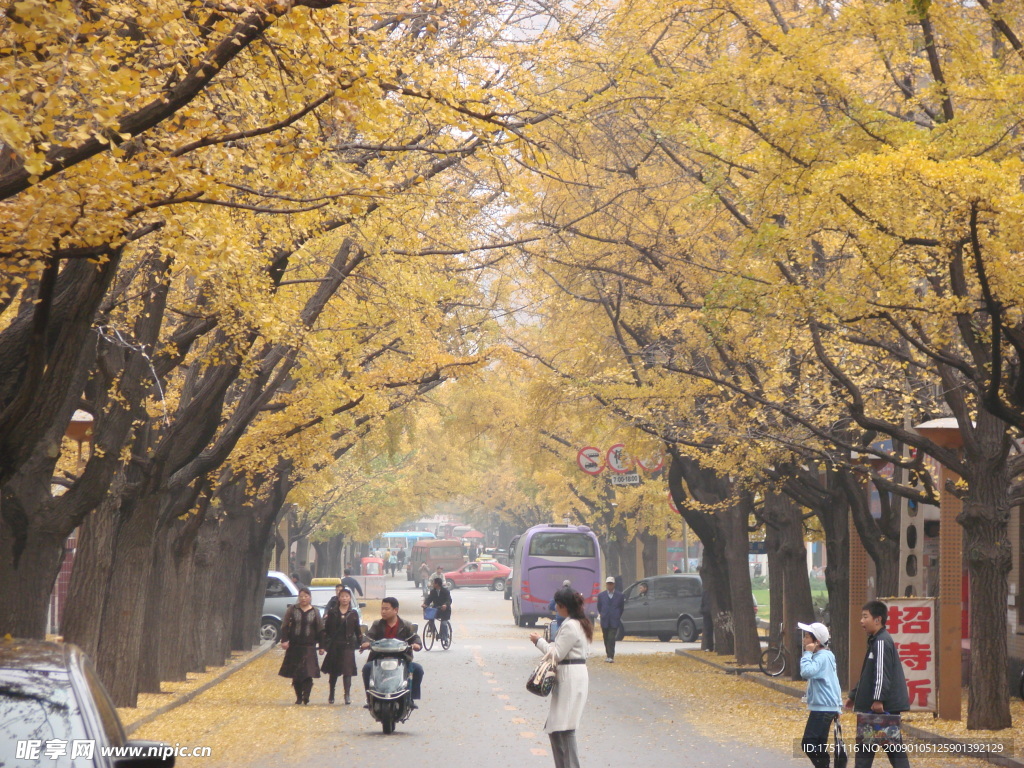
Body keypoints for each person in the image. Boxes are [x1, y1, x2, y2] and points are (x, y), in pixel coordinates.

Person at [529, 587, 592, 768]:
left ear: (564, 606)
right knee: (557, 728)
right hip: (572, 674)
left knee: (564, 727)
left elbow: (556, 654)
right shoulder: (579, 622)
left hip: (570, 677)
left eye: (557, 605)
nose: (555, 608)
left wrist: (539, 642)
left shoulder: (571, 625)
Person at [845, 600, 912, 768]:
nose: (861, 621)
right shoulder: (876, 640)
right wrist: (854, 695)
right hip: (876, 707)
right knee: (873, 750)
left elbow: (882, 673)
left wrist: (878, 699)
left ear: (878, 619)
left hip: (881, 708)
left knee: (889, 750)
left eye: (865, 617)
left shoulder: (881, 641)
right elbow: (868, 675)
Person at [360, 597, 424, 707]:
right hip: (379, 659)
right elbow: (369, 636)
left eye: (386, 609)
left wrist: (416, 644)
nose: (383, 612)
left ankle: (411, 698)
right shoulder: (377, 624)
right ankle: (369, 698)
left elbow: (415, 638)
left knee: (418, 669)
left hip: (402, 660)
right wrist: (365, 642)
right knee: (367, 668)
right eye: (382, 609)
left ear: (396, 610)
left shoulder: (406, 625)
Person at [798, 621, 843, 768]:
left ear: (816, 641)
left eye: (807, 637)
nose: (804, 640)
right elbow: (834, 681)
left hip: (823, 708)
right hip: (827, 706)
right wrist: (838, 705)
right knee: (818, 744)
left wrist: (807, 653)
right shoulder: (827, 655)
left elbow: (806, 672)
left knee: (808, 743)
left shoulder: (821, 657)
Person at [277, 587, 324, 704]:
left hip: (309, 646)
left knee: (308, 672)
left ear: (310, 598)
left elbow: (320, 629)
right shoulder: (292, 609)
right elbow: (285, 625)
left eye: (306, 596)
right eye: (301, 596)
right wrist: (284, 640)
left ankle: (306, 695)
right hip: (295, 645)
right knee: (296, 673)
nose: (303, 598)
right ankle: (298, 697)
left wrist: (322, 646)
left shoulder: (315, 611)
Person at [321, 587, 360, 704]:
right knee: (334, 671)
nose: (344, 598)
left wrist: (361, 643)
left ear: (350, 598)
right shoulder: (332, 612)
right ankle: (331, 693)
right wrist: (324, 644)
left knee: (347, 671)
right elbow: (326, 630)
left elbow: (357, 630)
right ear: (338, 598)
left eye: (347, 596)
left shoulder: (353, 613)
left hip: (348, 645)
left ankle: (347, 695)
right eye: (342, 596)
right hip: (335, 645)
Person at [596, 576, 624, 663]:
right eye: (608, 584)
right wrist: (603, 613)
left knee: (611, 638)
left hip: (614, 620)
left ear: (614, 584)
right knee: (606, 638)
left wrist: (617, 615)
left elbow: (621, 607)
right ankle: (608, 654)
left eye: (611, 584)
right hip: (605, 619)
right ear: (606, 584)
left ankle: (611, 656)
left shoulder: (619, 595)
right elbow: (599, 607)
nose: (610, 585)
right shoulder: (601, 595)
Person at [422, 576, 453, 644]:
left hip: (445, 611)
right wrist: (425, 604)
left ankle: (445, 638)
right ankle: (434, 633)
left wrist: (445, 605)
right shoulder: (433, 591)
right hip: (436, 610)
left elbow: (449, 600)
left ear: (437, 584)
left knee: (443, 624)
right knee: (430, 620)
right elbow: (429, 599)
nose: (433, 584)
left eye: (434, 583)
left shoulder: (445, 591)